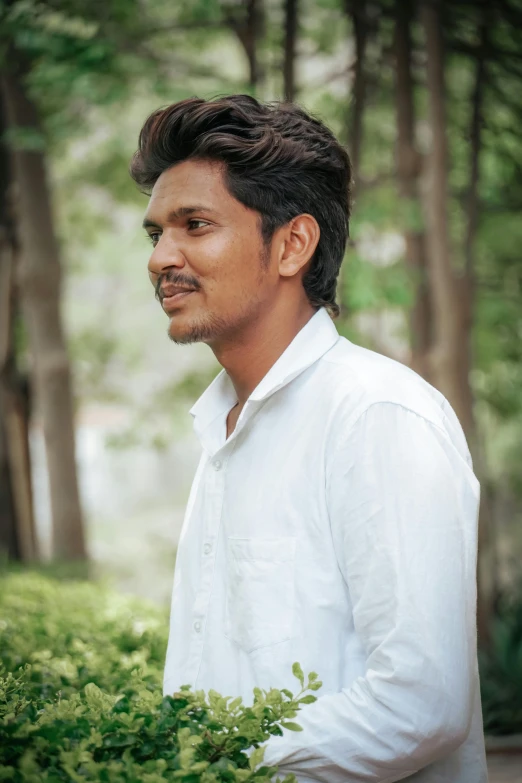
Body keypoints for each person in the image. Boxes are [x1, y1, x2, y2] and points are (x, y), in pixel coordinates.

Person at [130, 94, 488, 783]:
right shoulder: (222, 431)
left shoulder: (376, 415)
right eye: (155, 235)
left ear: (293, 244)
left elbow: (423, 699)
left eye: (194, 225)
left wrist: (216, 769)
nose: (161, 258)